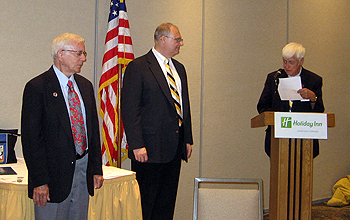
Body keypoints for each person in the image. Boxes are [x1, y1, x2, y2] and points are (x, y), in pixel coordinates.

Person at [21, 33, 103, 220]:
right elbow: (32, 139)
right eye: (79, 53)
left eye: (84, 53)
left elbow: (93, 131)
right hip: (52, 178)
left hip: (82, 172)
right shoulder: (38, 87)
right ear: (60, 54)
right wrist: (39, 181)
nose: (84, 58)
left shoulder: (85, 86)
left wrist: (96, 168)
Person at [121, 23, 193, 220]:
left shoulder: (179, 69)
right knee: (146, 204)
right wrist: (137, 145)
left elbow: (183, 105)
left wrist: (187, 138)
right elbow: (129, 109)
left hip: (174, 148)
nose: (181, 43)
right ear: (163, 39)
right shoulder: (138, 67)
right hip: (148, 150)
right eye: (177, 39)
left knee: (166, 204)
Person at [257, 42, 325, 158]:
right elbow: (262, 106)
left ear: (301, 61)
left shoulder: (313, 80)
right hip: (277, 139)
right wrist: (276, 117)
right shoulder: (274, 78)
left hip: (304, 140)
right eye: (284, 61)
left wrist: (313, 98)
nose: (286, 66)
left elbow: (319, 111)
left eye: (291, 62)